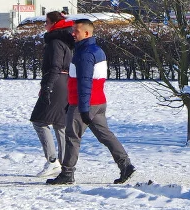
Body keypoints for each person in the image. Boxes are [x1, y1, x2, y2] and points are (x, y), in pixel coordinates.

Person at [48, 19, 136, 186]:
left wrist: (82, 108)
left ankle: (67, 173)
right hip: (98, 102)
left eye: (76, 31)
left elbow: (84, 82)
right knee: (105, 136)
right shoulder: (95, 50)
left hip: (85, 103)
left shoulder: (85, 54)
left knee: (72, 137)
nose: (73, 33)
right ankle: (126, 165)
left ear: (87, 33)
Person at [30, 11, 74, 178]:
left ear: (54, 23)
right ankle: (64, 163)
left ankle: (53, 160)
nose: (45, 25)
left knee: (39, 120)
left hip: (56, 82)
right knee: (60, 123)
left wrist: (47, 86)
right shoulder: (67, 39)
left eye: (47, 22)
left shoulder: (55, 41)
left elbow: (55, 66)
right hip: (66, 82)